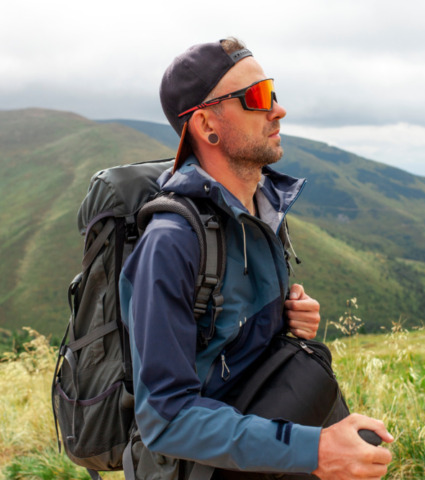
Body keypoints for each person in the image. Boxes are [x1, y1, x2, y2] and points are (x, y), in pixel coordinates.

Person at [119, 37, 394, 479]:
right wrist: (314, 450)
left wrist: (288, 320)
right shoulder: (171, 243)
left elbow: (230, 345)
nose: (277, 110)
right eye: (256, 97)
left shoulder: (264, 211)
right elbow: (166, 418)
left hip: (270, 442)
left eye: (273, 92)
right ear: (207, 125)